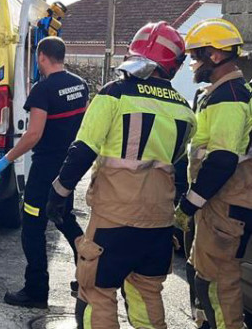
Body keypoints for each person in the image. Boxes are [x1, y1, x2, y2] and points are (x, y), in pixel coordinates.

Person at [46, 21, 196, 329]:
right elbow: (178, 168)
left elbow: (82, 151)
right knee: (148, 296)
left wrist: (59, 193)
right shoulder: (185, 111)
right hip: (158, 225)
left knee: (97, 295)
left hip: (113, 221)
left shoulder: (113, 94)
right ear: (173, 67)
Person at [0, 37, 87, 309]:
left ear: (42, 56)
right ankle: (86, 277)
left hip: (45, 170)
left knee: (32, 228)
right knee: (63, 218)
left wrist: (7, 159)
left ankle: (36, 292)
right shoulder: (79, 85)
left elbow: (33, 134)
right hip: (69, 169)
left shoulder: (43, 89)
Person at [174, 18, 252, 329]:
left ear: (216, 56)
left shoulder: (229, 98)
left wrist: (188, 205)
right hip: (217, 204)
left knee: (219, 284)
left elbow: (221, 160)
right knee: (203, 275)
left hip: (224, 206)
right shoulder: (221, 93)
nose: (192, 64)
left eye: (196, 56)